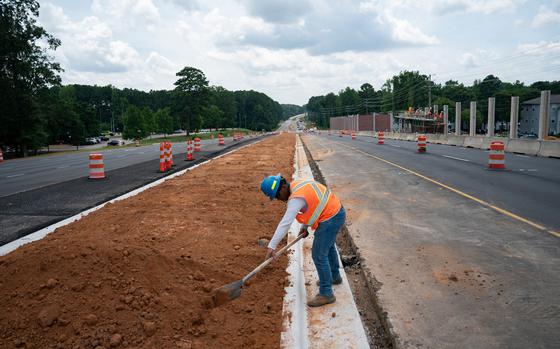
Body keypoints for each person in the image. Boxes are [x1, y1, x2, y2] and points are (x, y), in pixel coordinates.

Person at [260, 174, 346, 307]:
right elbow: (313, 204)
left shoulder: (295, 199)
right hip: (336, 211)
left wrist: (272, 246)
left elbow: (285, 223)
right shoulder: (297, 185)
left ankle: (326, 293)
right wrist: (304, 226)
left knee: (318, 254)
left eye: (277, 196)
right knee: (328, 247)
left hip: (330, 217)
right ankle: (334, 276)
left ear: (282, 188)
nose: (278, 200)